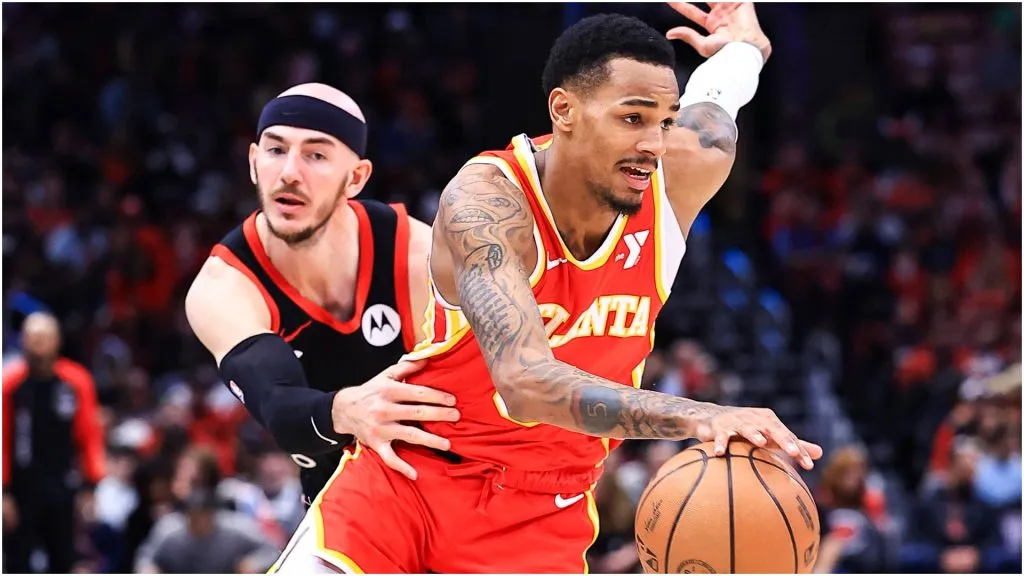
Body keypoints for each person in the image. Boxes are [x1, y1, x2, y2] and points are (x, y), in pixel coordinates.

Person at [273, 4, 824, 573]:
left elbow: (717, 104)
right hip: (407, 489)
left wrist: (744, 50)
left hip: (543, 518)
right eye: (632, 119)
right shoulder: (488, 201)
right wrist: (699, 416)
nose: (655, 143)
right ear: (564, 110)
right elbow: (523, 382)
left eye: (665, 120)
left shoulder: (684, 167)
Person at [185, 82, 461, 506]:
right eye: (276, 150)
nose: (290, 171)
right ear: (255, 163)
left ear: (356, 177)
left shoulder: (417, 254)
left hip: (454, 490)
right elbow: (279, 407)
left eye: (316, 155)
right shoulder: (224, 287)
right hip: (337, 508)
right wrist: (350, 410)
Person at [2, 312, 106, 573]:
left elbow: (89, 435)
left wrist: (91, 485)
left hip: (63, 484)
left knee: (63, 558)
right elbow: (2, 440)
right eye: (33, 338)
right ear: (22, 341)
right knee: (17, 561)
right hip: (21, 488)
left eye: (44, 337)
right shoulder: (10, 383)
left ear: (57, 341)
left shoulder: (76, 381)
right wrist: (3, 493)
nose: (39, 344)